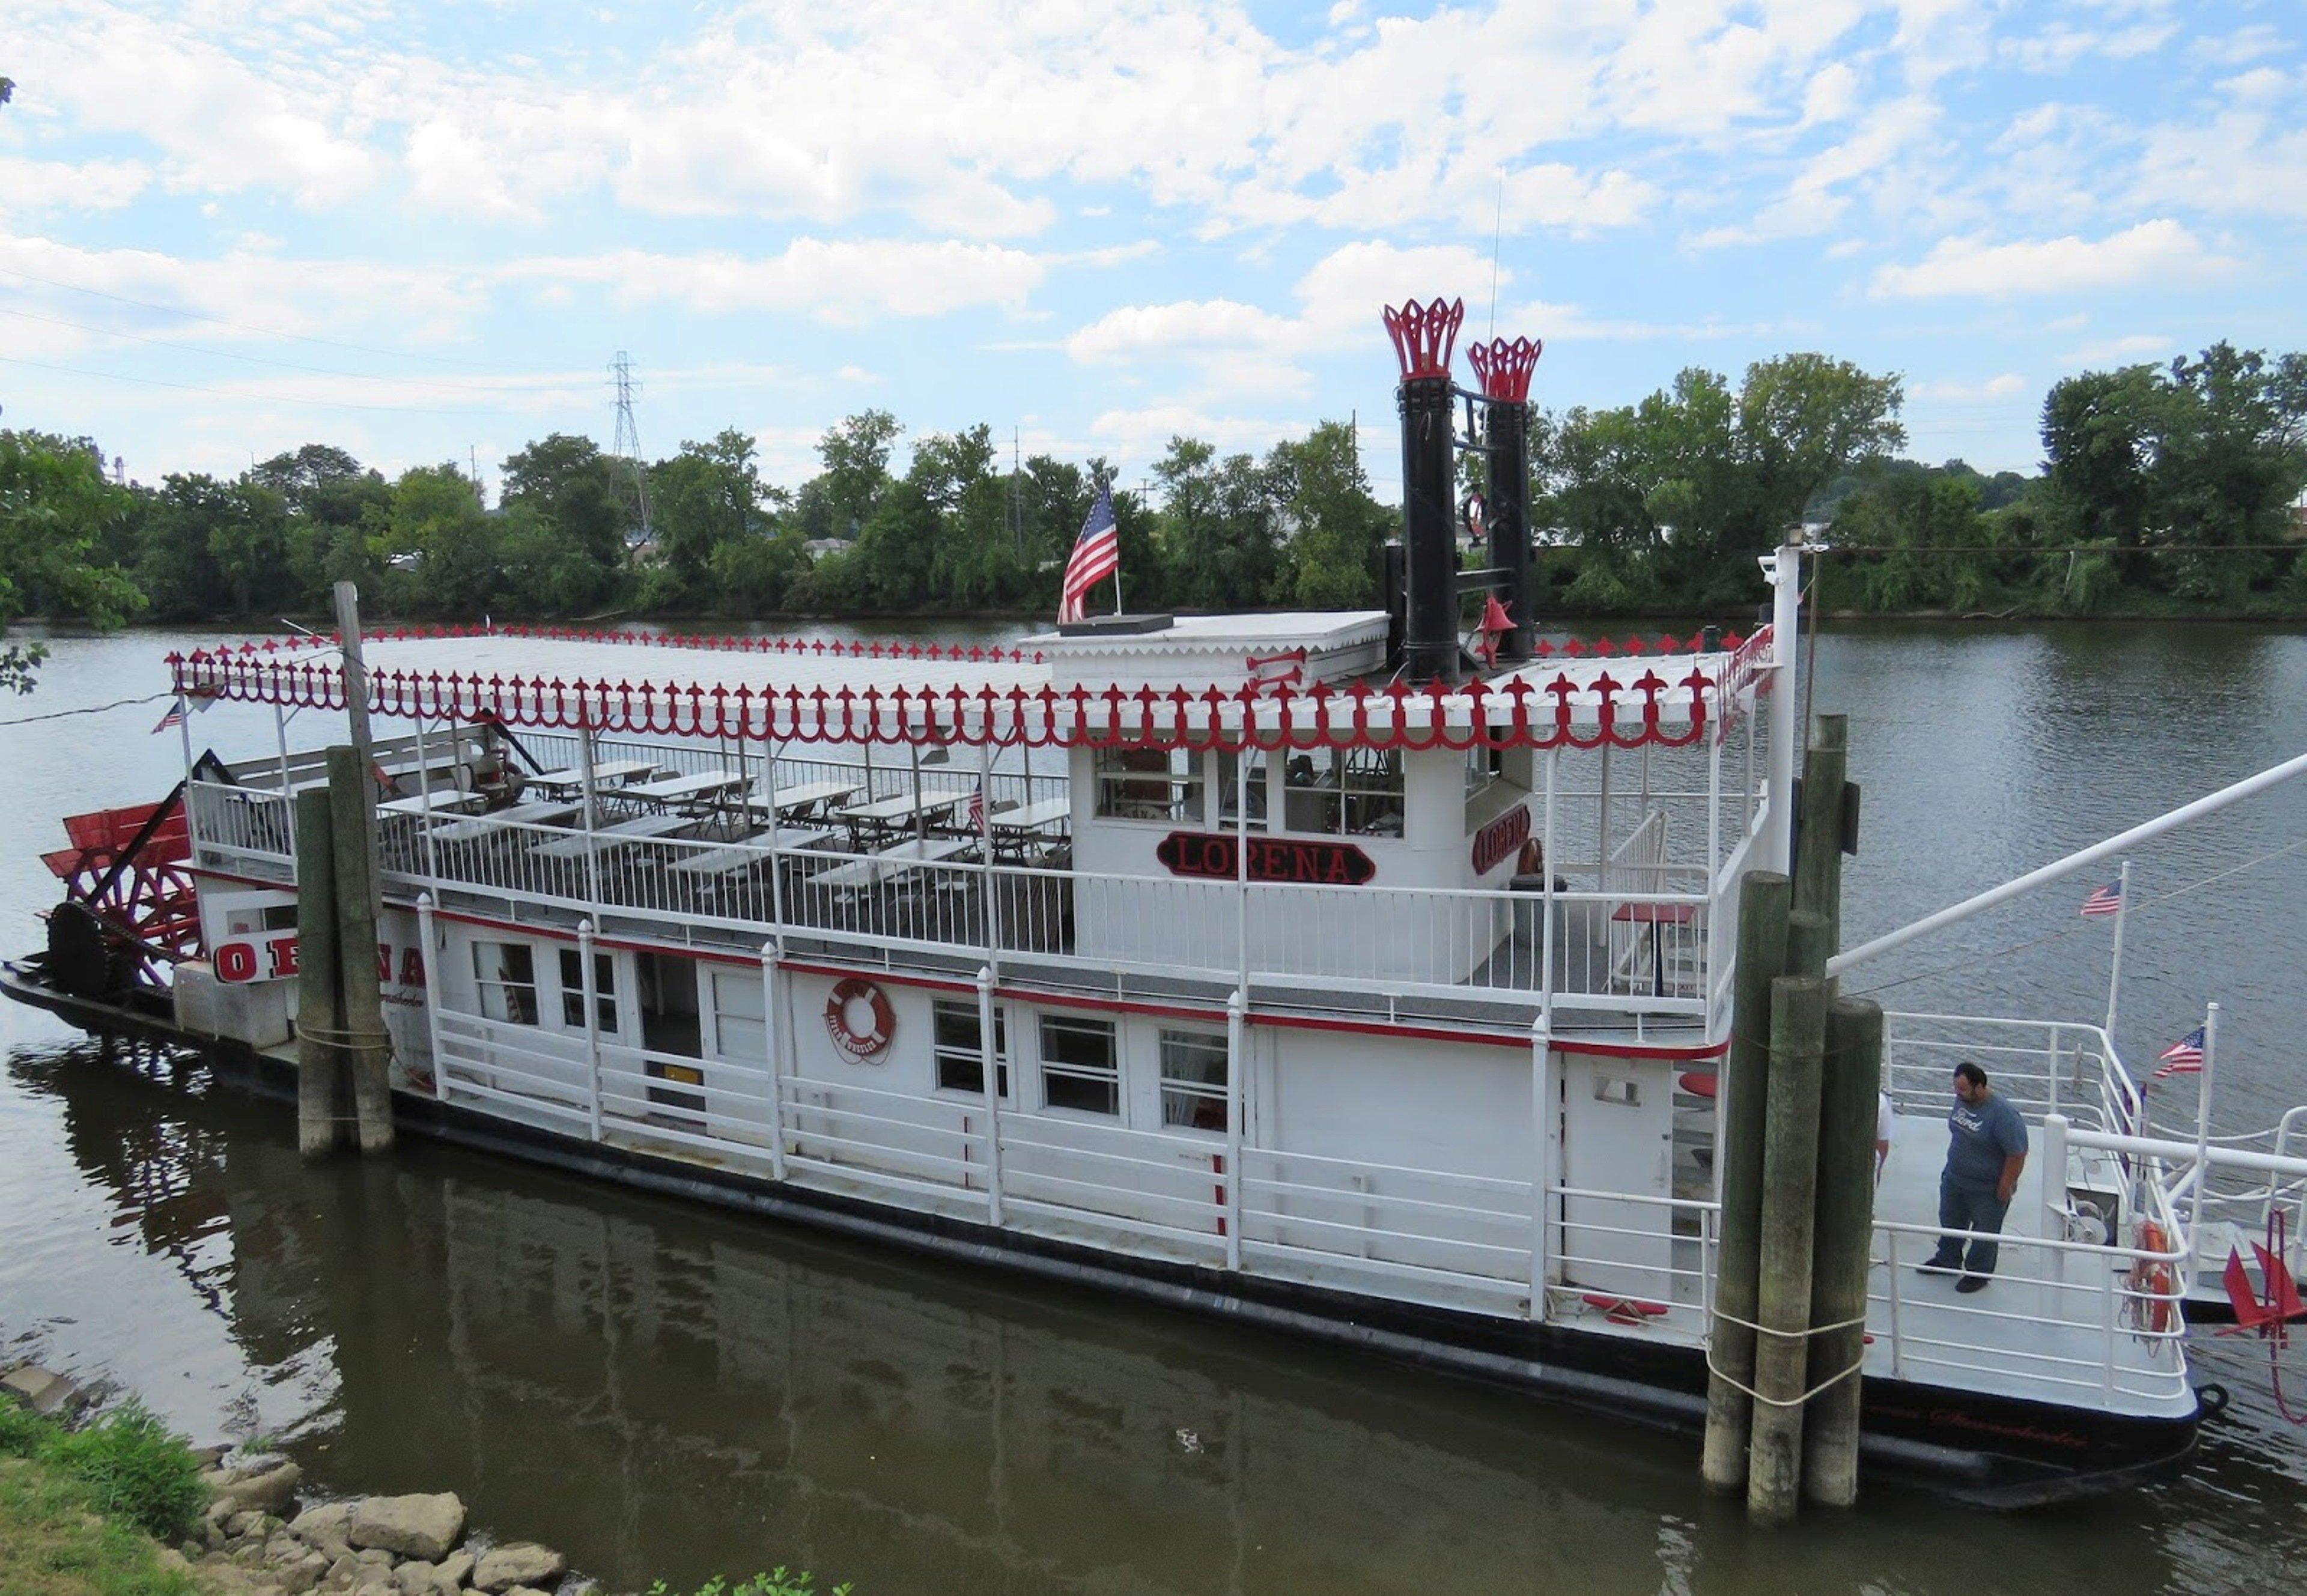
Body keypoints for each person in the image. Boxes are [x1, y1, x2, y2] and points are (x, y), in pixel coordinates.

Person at [1919, 1061, 2028, 1292]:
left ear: (1980, 1087)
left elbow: (2017, 1153)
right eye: (1956, 1089)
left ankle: (1978, 1273)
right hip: (1956, 1178)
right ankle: (1947, 1259)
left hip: (1986, 1188)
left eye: (1963, 1089)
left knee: (1985, 1232)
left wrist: (2005, 1185)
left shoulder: (2003, 1115)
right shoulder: (1962, 1100)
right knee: (1950, 1220)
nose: (1958, 1094)